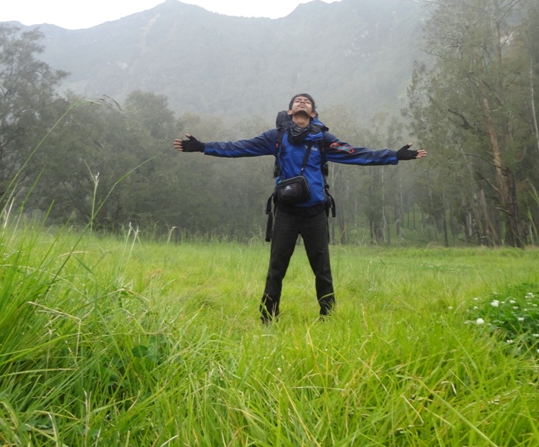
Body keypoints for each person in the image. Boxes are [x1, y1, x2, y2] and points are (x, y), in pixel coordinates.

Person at [173, 93, 426, 323]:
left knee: (322, 269)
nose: (302, 102)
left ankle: (328, 317)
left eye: (307, 101)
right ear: (290, 111)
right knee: (276, 268)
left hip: (315, 212)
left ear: (313, 113)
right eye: (298, 101)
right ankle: (268, 319)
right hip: (286, 213)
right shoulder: (275, 137)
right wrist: (203, 147)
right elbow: (239, 147)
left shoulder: (323, 140)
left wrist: (394, 155)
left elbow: (357, 154)